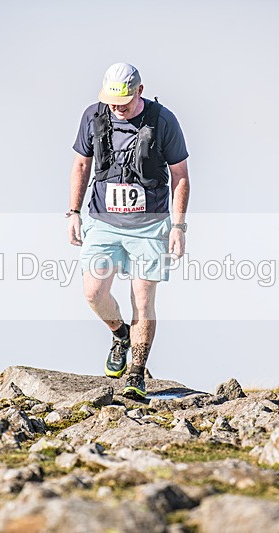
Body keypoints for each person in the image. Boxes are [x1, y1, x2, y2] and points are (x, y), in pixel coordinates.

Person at [67, 62, 190, 400]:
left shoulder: (164, 121)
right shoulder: (94, 116)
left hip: (149, 225)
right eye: (111, 101)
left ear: (140, 90)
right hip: (103, 221)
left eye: (123, 101)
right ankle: (120, 334)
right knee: (93, 292)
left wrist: (178, 226)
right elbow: (81, 163)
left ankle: (136, 373)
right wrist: (73, 212)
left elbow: (180, 175)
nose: (117, 109)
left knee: (143, 300)